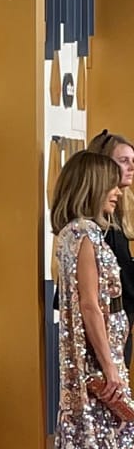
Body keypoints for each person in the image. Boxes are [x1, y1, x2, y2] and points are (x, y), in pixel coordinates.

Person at [18, 150, 134, 449]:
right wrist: (111, 369)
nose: (119, 190)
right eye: (112, 183)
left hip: (88, 369)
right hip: (97, 369)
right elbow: (89, 306)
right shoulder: (84, 235)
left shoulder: (67, 235)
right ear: (91, 185)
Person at [88, 130, 134, 367]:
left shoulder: (119, 214)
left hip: (122, 324)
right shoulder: (92, 226)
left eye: (132, 161)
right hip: (103, 333)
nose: (131, 168)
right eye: (123, 161)